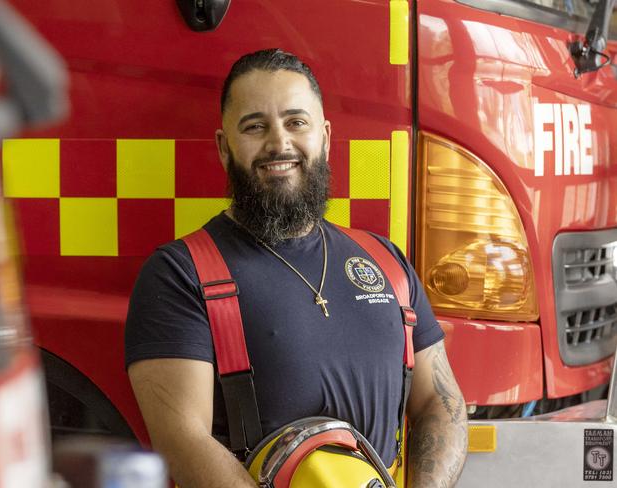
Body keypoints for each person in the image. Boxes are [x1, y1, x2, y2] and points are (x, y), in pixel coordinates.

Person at [125, 48, 468, 488]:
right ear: (223, 148)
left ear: (324, 137)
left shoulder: (385, 262)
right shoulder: (180, 274)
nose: (279, 143)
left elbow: (441, 404)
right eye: (255, 127)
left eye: (296, 122)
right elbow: (182, 442)